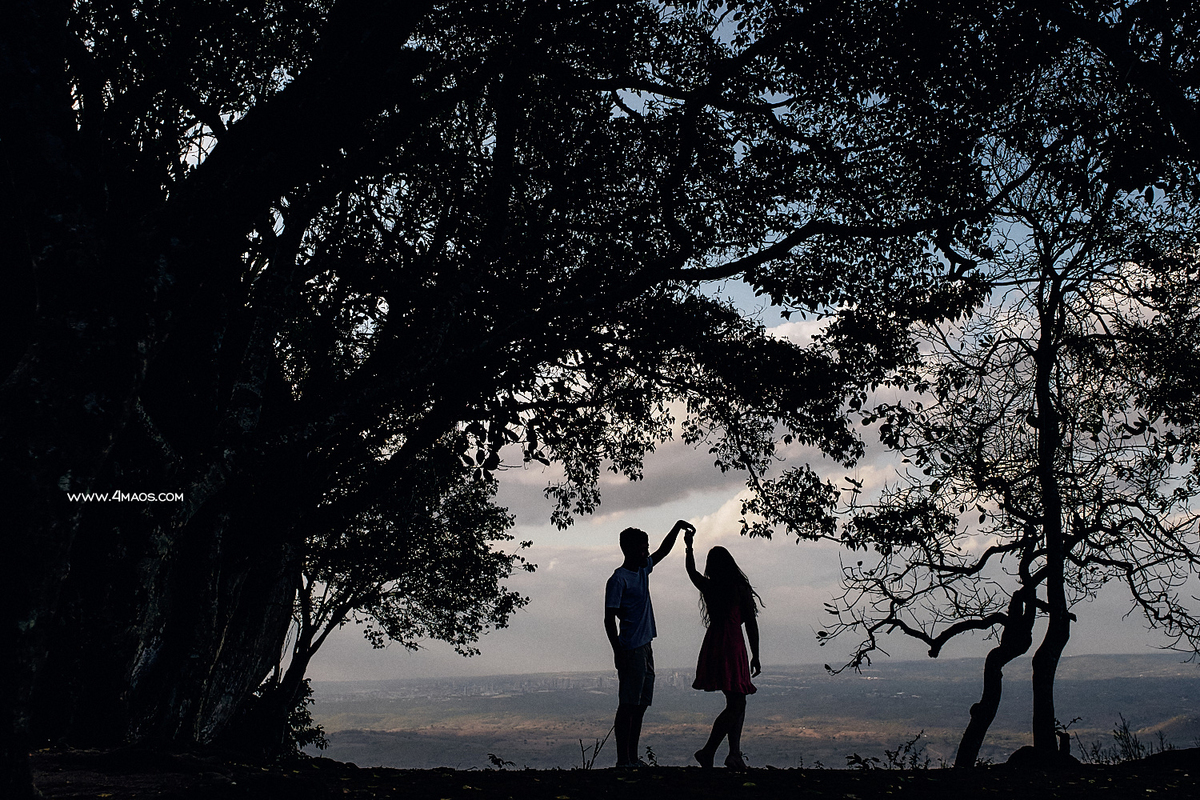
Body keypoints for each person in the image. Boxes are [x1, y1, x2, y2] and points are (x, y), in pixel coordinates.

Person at [604, 520, 695, 768]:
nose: (647, 552)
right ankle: (624, 760)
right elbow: (608, 618)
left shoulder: (643, 570)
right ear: (630, 550)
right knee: (628, 706)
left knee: (640, 706)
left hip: (645, 646)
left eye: (647, 547)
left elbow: (663, 552)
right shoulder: (618, 580)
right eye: (643, 548)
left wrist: (676, 528)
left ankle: (632, 758)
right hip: (630, 648)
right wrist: (617, 651)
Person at [685, 529, 762, 770]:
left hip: (715, 642)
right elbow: (750, 622)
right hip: (732, 644)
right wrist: (756, 654)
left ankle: (734, 754)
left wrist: (689, 547)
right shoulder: (739, 588)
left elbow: (691, 572)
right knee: (737, 702)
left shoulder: (710, 587)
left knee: (736, 700)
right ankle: (709, 751)